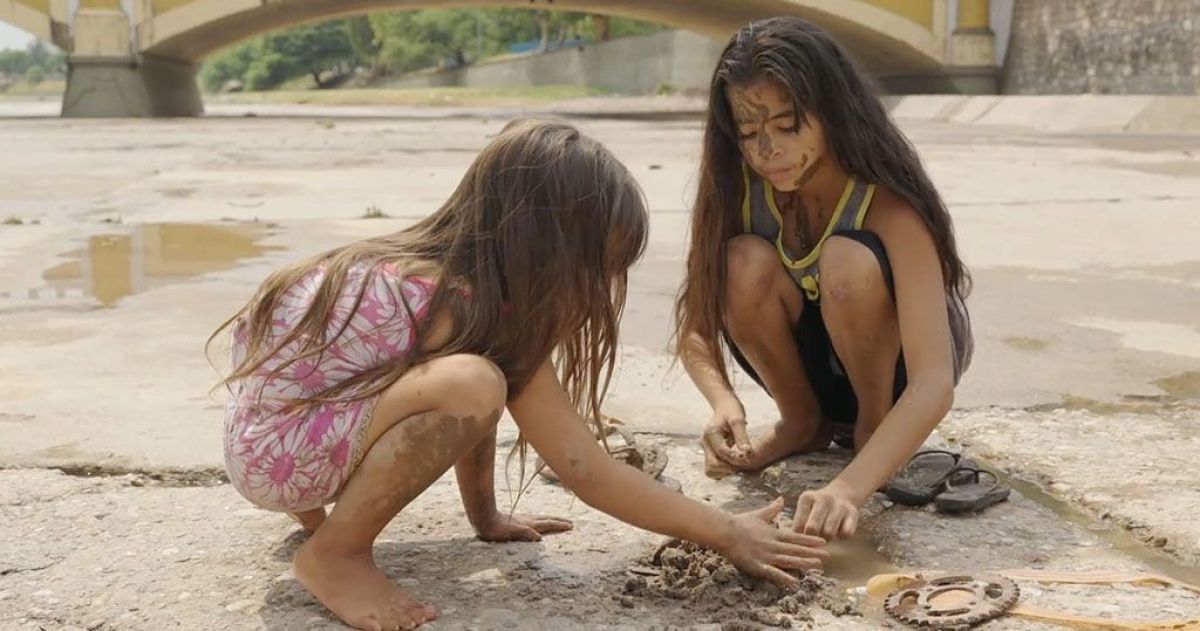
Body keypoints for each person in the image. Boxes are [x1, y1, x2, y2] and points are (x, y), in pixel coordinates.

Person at [214, 119, 828, 631]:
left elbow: (431, 411)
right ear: (546, 248)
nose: (598, 289)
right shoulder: (456, 306)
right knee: (472, 383)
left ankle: (321, 526)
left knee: (473, 381)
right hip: (284, 461)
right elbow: (585, 468)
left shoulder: (419, 275)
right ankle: (336, 555)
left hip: (267, 448)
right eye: (597, 266)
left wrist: (485, 518)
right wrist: (726, 532)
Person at [673, 17, 974, 543]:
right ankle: (801, 422)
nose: (767, 150)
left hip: (896, 375)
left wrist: (850, 489)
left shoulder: (888, 204)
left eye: (786, 125)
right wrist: (724, 403)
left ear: (832, 114)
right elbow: (696, 328)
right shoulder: (739, 192)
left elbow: (934, 383)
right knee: (741, 260)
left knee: (845, 260)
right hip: (811, 370)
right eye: (748, 133)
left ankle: (871, 433)